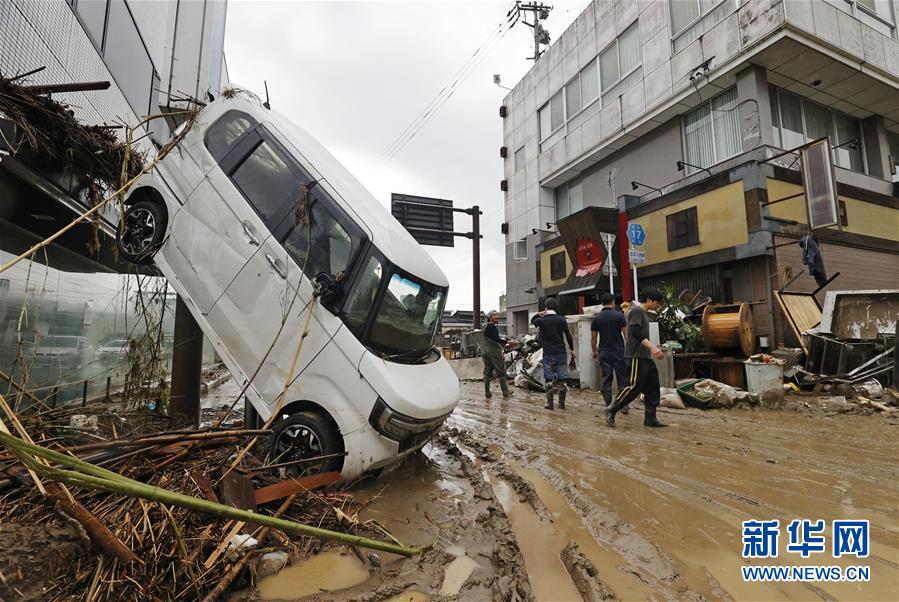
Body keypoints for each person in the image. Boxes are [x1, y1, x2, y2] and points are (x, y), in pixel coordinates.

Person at [604, 287, 667, 428]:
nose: (658, 305)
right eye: (657, 302)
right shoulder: (637, 311)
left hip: (644, 356)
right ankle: (612, 409)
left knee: (653, 385)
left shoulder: (644, 313)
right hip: (635, 356)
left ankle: (650, 417)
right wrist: (652, 347)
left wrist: (652, 347)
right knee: (633, 386)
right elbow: (637, 333)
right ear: (649, 300)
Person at [531, 297, 575, 410]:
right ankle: (561, 403)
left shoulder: (542, 320)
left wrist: (539, 313)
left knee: (549, 379)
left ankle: (550, 403)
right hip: (561, 352)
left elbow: (532, 321)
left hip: (548, 353)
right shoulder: (561, 319)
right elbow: (568, 335)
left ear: (546, 307)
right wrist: (572, 349)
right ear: (556, 308)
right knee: (562, 378)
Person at [591, 292, 628, 409]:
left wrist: (594, 351)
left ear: (602, 303)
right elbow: (626, 334)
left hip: (604, 351)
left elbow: (594, 337)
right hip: (619, 351)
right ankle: (624, 405)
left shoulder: (597, 318)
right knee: (622, 378)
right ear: (613, 302)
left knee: (606, 378)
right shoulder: (619, 316)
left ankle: (609, 405)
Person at [482, 311, 510, 399]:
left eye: (497, 315)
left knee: (487, 373)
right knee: (501, 372)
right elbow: (496, 338)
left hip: (486, 353)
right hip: (494, 353)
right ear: (490, 317)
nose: (496, 317)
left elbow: (493, 338)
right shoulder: (492, 326)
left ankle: (487, 393)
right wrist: (506, 342)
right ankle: (505, 392)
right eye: (494, 315)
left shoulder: (487, 327)